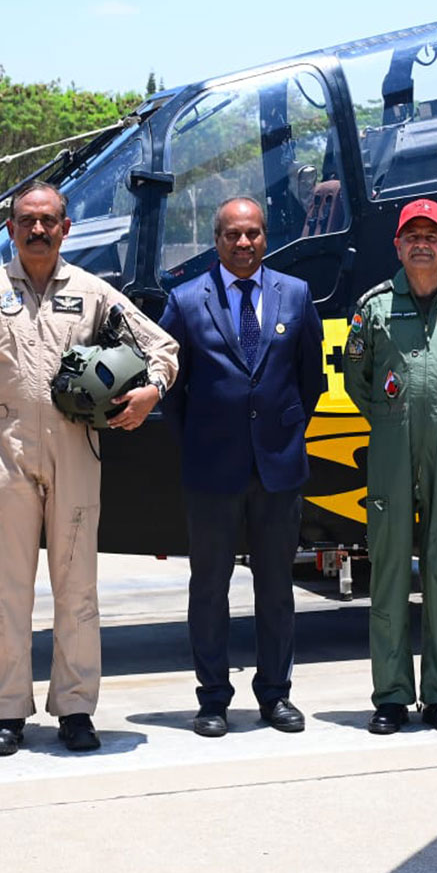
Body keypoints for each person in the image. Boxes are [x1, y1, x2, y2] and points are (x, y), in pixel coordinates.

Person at [0, 181, 178, 756]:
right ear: (10, 229)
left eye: (49, 220)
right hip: (8, 451)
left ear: (66, 228)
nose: (38, 230)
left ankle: (75, 708)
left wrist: (149, 392)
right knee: (7, 589)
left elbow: (162, 347)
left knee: (77, 588)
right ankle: (6, 713)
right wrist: (7, 403)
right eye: (27, 220)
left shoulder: (96, 294)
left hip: (76, 449)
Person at [159, 196, 325, 738]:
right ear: (217, 239)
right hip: (212, 474)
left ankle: (276, 696)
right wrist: (203, 444)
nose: (244, 243)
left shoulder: (296, 295)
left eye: (252, 233)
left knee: (276, 589)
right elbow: (173, 393)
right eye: (232, 234)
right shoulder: (185, 302)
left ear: (265, 237)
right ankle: (212, 699)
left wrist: (279, 436)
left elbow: (310, 381)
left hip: (277, 471)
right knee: (209, 588)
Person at [342, 199, 437, 735]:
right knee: (386, 573)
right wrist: (393, 420)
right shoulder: (375, 307)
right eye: (413, 235)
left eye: (433, 235)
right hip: (389, 447)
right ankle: (389, 696)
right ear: (398, 246)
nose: (422, 243)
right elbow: (356, 378)